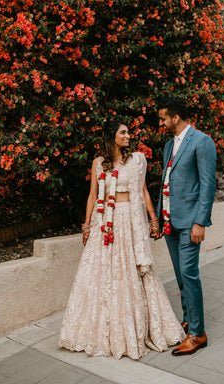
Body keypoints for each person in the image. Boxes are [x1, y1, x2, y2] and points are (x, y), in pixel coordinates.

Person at [59, 120, 185, 360]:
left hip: (128, 220)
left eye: (128, 132)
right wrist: (86, 226)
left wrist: (154, 220)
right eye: (123, 132)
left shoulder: (137, 159)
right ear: (111, 137)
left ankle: (133, 328)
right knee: (101, 273)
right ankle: (101, 331)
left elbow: (144, 191)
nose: (129, 136)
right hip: (104, 220)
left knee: (130, 271)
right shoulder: (98, 163)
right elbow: (93, 195)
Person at [155, 97, 216, 356]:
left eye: (163, 118)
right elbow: (166, 182)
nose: (160, 123)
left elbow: (207, 184)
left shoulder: (202, 141)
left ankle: (198, 333)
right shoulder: (169, 145)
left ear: (176, 117)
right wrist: (159, 219)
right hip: (170, 221)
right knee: (181, 276)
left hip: (190, 222)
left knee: (189, 274)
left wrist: (200, 222)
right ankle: (188, 320)